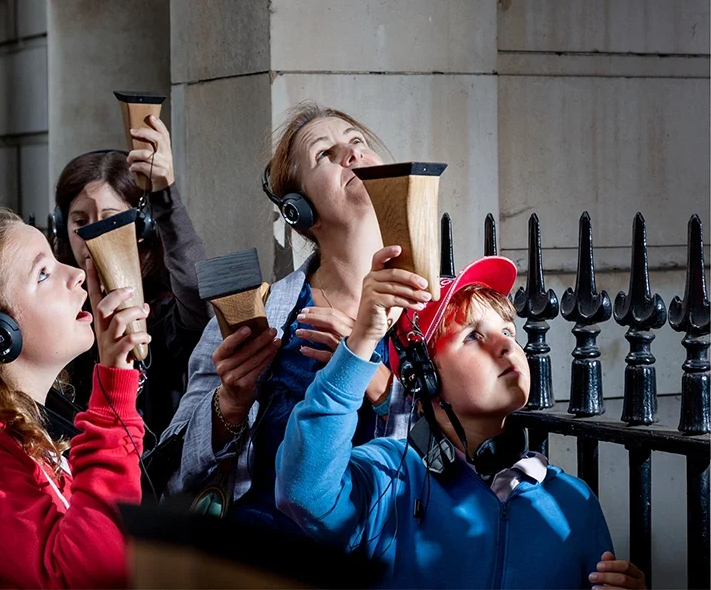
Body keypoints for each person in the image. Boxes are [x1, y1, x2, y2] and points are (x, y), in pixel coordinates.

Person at [275, 245, 647, 589]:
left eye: (507, 331)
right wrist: (360, 343)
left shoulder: (573, 501)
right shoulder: (387, 477)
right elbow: (304, 492)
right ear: (423, 378)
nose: (505, 344)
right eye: (472, 336)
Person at [161, 102, 414, 533]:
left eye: (357, 142)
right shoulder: (265, 316)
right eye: (324, 154)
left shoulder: (437, 306)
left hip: (396, 555)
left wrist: (370, 377)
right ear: (299, 211)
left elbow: (463, 448)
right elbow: (171, 474)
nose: (350, 154)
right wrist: (230, 406)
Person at [0, 206, 149, 588]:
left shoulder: (32, 434)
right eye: (43, 273)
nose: (77, 274)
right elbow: (86, 574)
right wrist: (113, 389)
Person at [53, 115, 210, 442]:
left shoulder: (168, 306)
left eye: (111, 220)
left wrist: (165, 196)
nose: (92, 234)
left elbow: (199, 294)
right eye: (80, 220)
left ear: (144, 228)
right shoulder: (57, 310)